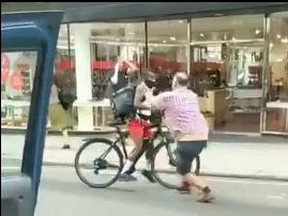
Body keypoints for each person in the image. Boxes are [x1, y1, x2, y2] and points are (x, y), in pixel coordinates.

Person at [151, 72, 214, 202]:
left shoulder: (169, 96)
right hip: (202, 135)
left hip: (188, 138)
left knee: (182, 169)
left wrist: (149, 94)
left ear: (175, 83)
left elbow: (152, 103)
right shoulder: (193, 95)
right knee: (186, 159)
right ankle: (185, 185)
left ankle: (204, 188)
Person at [118, 70, 157, 182]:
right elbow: (136, 103)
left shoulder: (149, 88)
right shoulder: (141, 88)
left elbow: (148, 102)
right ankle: (124, 171)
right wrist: (150, 108)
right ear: (146, 79)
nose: (154, 81)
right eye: (152, 78)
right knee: (139, 147)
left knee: (148, 145)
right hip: (137, 121)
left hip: (145, 121)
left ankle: (143, 169)